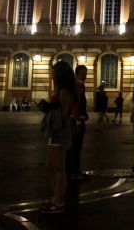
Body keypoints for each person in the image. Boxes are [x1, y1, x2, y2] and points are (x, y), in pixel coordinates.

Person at [39, 61, 78, 213]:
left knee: (59, 167)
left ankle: (58, 201)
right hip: (55, 130)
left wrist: (47, 107)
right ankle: (55, 196)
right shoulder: (60, 89)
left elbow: (63, 111)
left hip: (59, 130)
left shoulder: (64, 90)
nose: (51, 74)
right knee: (51, 166)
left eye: (53, 72)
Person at [67, 64, 90, 181]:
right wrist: (78, 120)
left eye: (86, 74)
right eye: (83, 74)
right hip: (78, 120)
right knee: (76, 147)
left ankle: (74, 170)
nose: (85, 76)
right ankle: (75, 172)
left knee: (74, 147)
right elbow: (77, 104)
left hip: (76, 118)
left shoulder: (74, 85)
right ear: (77, 74)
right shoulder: (79, 85)